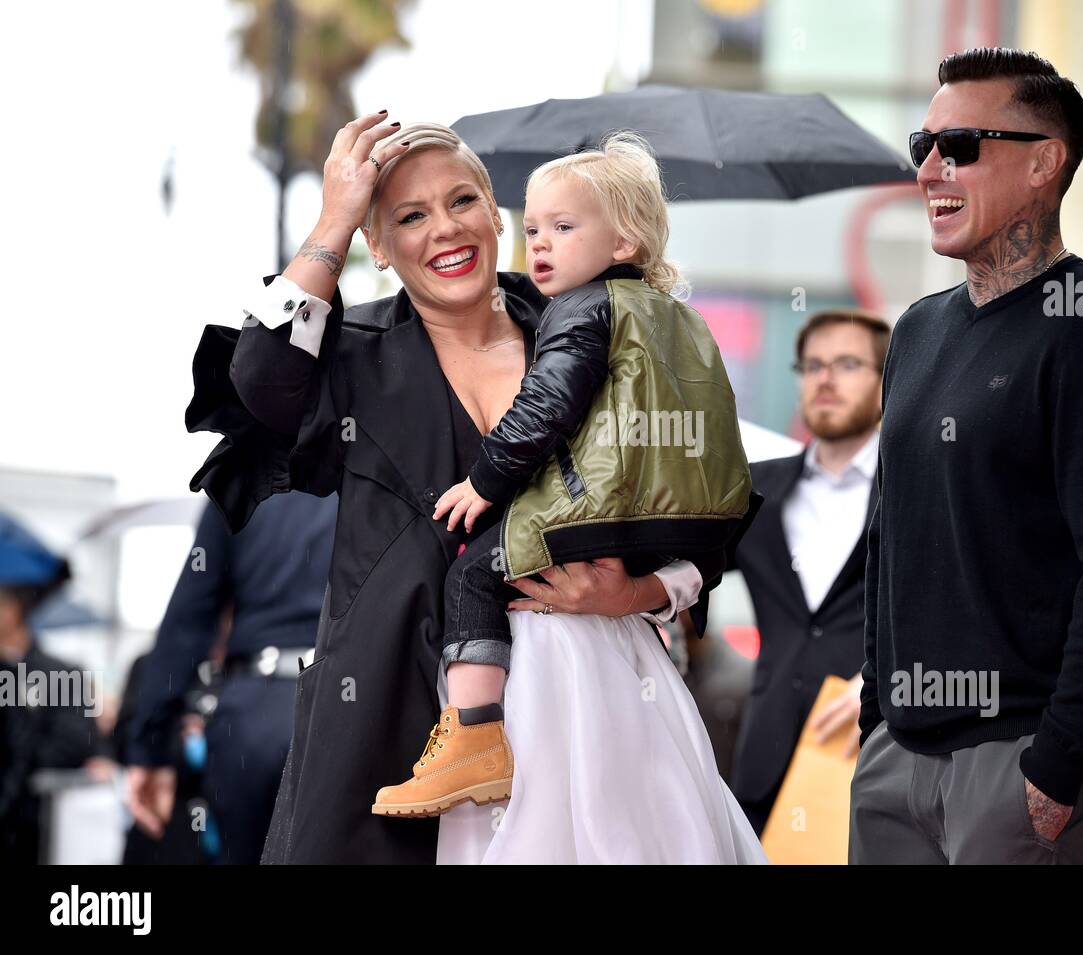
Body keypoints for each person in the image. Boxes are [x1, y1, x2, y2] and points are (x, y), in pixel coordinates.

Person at [187, 114, 764, 863]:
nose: (444, 230)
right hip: (386, 725)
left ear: (496, 215)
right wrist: (333, 217)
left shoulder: (606, 324)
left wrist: (639, 593)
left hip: (593, 723)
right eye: (409, 217)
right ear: (381, 249)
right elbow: (261, 382)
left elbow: (699, 499)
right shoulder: (352, 355)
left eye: (461, 202)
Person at [849, 48, 1083, 864]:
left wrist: (1059, 765)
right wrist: (876, 720)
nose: (929, 168)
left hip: (1027, 769)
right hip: (898, 762)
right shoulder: (918, 330)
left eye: (958, 146)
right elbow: (890, 540)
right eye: (922, 142)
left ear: (1043, 162)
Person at [371, 132, 752, 819]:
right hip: (669, 522)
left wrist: (486, 479)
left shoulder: (578, 313)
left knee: (474, 574)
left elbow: (545, 406)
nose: (538, 244)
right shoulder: (682, 322)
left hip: (601, 577)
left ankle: (473, 733)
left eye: (563, 227)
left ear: (625, 241)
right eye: (533, 228)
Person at [727, 308, 887, 836]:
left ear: (888, 382)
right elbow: (679, 573)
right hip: (763, 760)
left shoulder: (916, 494)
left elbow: (958, 606)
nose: (824, 378)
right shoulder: (755, 489)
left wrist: (888, 681)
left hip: (872, 757)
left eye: (846, 364)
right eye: (812, 365)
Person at [124, 493, 335, 863]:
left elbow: (188, 621)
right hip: (354, 705)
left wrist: (150, 748)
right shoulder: (385, 461)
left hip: (253, 717)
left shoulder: (242, 474)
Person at [0, 515, 102, 863]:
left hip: (41, 835)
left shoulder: (66, 675)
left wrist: (19, 758)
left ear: (15, 607)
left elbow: (77, 742)